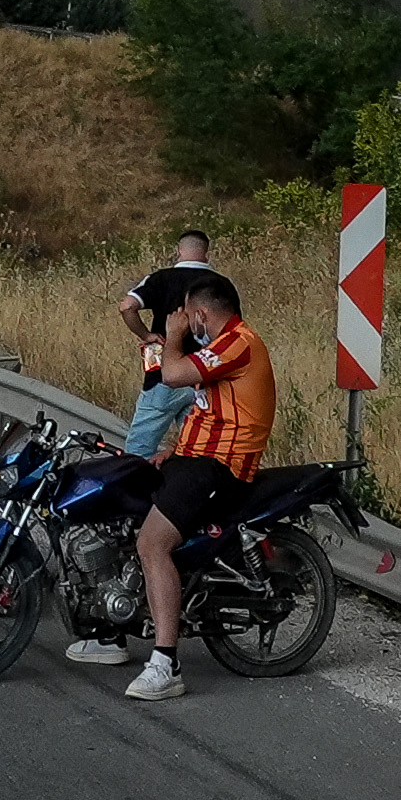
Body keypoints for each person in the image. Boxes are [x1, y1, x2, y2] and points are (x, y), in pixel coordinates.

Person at [97, 270, 272, 703]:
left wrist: (170, 335)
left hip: (221, 467)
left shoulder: (238, 342)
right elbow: (207, 410)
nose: (181, 320)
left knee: (151, 544)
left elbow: (171, 375)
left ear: (201, 314)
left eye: (186, 315)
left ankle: (165, 662)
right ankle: (109, 630)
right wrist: (172, 452)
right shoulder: (219, 345)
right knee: (124, 500)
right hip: (195, 459)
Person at [117, 227, 220, 458]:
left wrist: (146, 335)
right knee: (195, 451)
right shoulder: (221, 286)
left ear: (178, 252)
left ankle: (134, 488)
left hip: (163, 377)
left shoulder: (161, 279)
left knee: (139, 450)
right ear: (207, 255)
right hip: (205, 379)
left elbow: (127, 306)